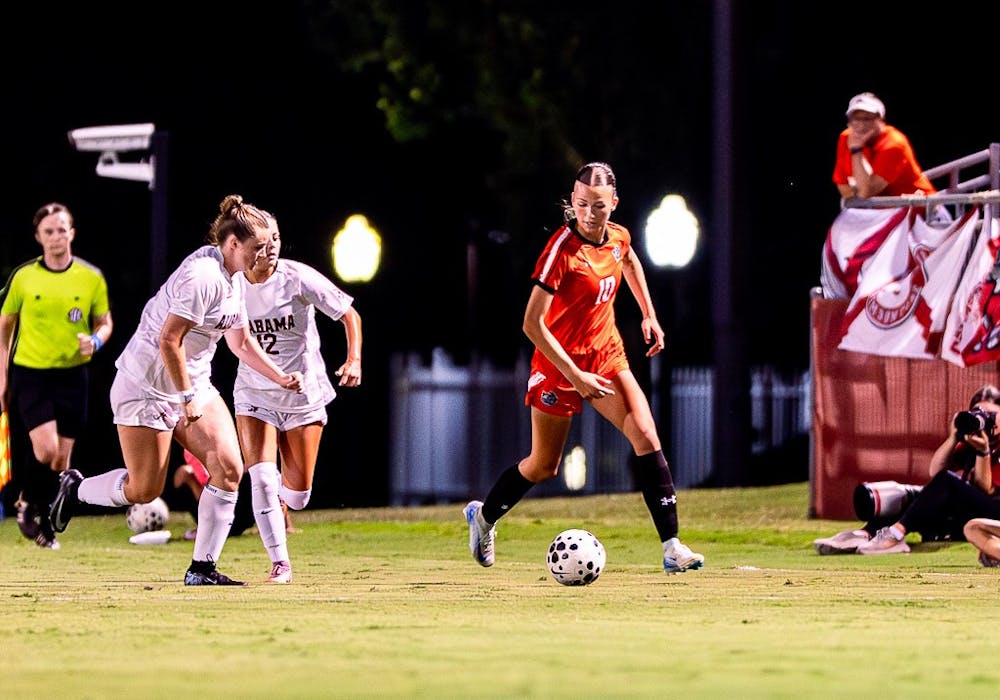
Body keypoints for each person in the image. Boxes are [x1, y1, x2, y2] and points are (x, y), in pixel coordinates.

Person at [49, 194, 303, 586]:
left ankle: (201, 569)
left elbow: (240, 343)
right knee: (144, 488)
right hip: (146, 385)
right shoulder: (202, 277)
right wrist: (185, 399)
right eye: (258, 248)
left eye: (270, 247)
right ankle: (76, 488)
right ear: (233, 244)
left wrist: (280, 376)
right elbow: (169, 340)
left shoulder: (235, 278)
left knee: (230, 469)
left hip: (192, 382)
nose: (264, 256)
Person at [463, 162, 704, 574]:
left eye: (598, 205)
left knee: (646, 434)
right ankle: (483, 518)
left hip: (606, 356)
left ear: (614, 203)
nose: (589, 214)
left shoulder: (619, 237)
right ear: (571, 203)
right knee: (544, 465)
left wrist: (649, 314)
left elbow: (629, 261)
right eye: (581, 205)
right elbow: (530, 324)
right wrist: (575, 376)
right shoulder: (561, 251)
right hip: (559, 366)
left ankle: (672, 548)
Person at [234, 221, 362, 584]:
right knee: (259, 477)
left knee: (298, 495)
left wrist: (354, 359)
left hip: (301, 394)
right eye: (260, 243)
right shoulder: (232, 284)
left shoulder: (297, 277)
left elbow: (349, 314)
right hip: (253, 392)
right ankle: (280, 564)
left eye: (275, 238)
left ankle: (281, 498)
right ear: (243, 246)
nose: (271, 247)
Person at [0, 202, 113, 549]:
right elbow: (5, 326)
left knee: (62, 461)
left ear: (72, 233)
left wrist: (93, 341)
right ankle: (27, 503)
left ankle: (40, 518)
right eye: (48, 231)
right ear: (38, 237)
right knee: (46, 448)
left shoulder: (90, 277)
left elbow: (105, 323)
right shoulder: (24, 277)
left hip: (72, 376)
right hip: (32, 373)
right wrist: (3, 376)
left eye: (61, 229)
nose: (55, 237)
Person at [816, 384, 1000, 556]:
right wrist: (954, 436)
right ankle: (866, 534)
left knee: (947, 482)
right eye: (978, 413)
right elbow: (935, 471)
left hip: (993, 520)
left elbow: (985, 490)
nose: (985, 419)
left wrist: (983, 452)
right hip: (968, 514)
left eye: (991, 415)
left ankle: (896, 535)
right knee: (918, 494)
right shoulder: (972, 442)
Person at [832, 92, 936, 200]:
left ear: (881, 120)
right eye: (856, 119)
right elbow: (843, 185)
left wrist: (857, 151)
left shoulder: (894, 144)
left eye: (867, 119)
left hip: (918, 208)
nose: (861, 125)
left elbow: (865, 193)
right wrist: (857, 192)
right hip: (876, 209)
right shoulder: (846, 137)